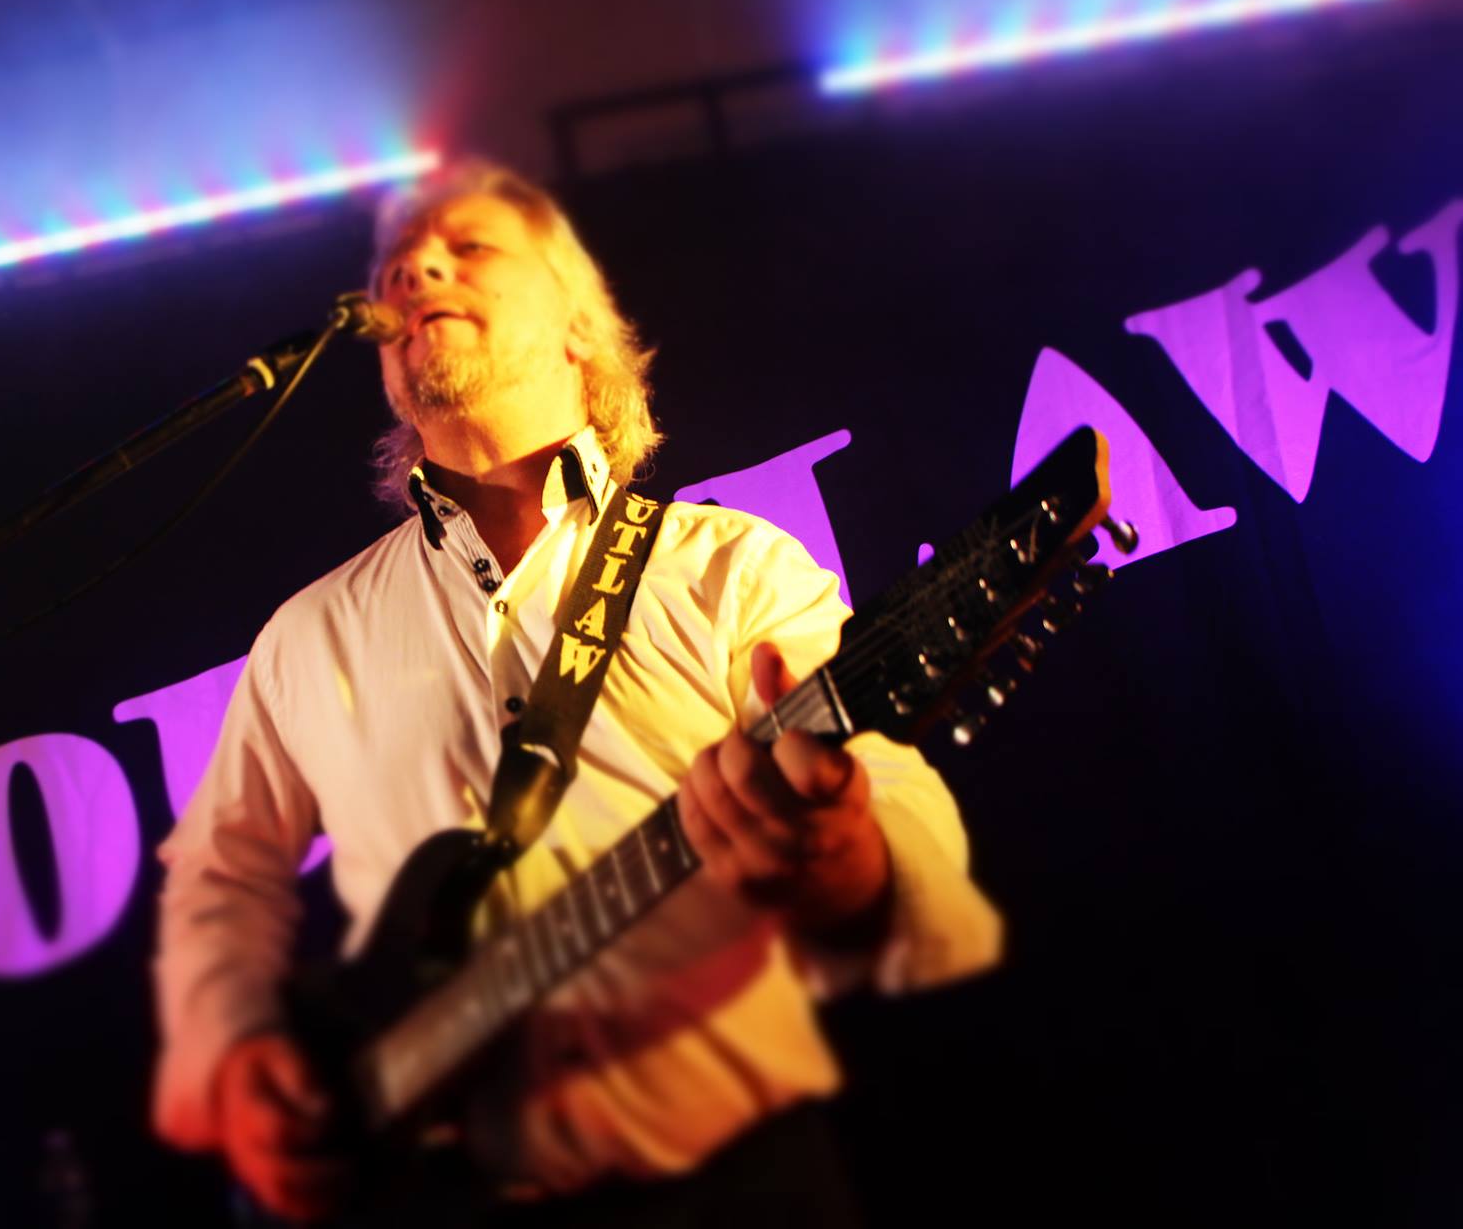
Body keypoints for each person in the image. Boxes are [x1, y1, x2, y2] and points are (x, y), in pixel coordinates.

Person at [151, 159, 1003, 1224]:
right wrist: (238, 1051)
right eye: (395, 266)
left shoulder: (730, 568)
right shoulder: (306, 636)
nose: (413, 270)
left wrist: (844, 858)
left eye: (469, 248)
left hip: (736, 1188)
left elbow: (891, 795)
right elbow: (218, 874)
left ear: (576, 325)